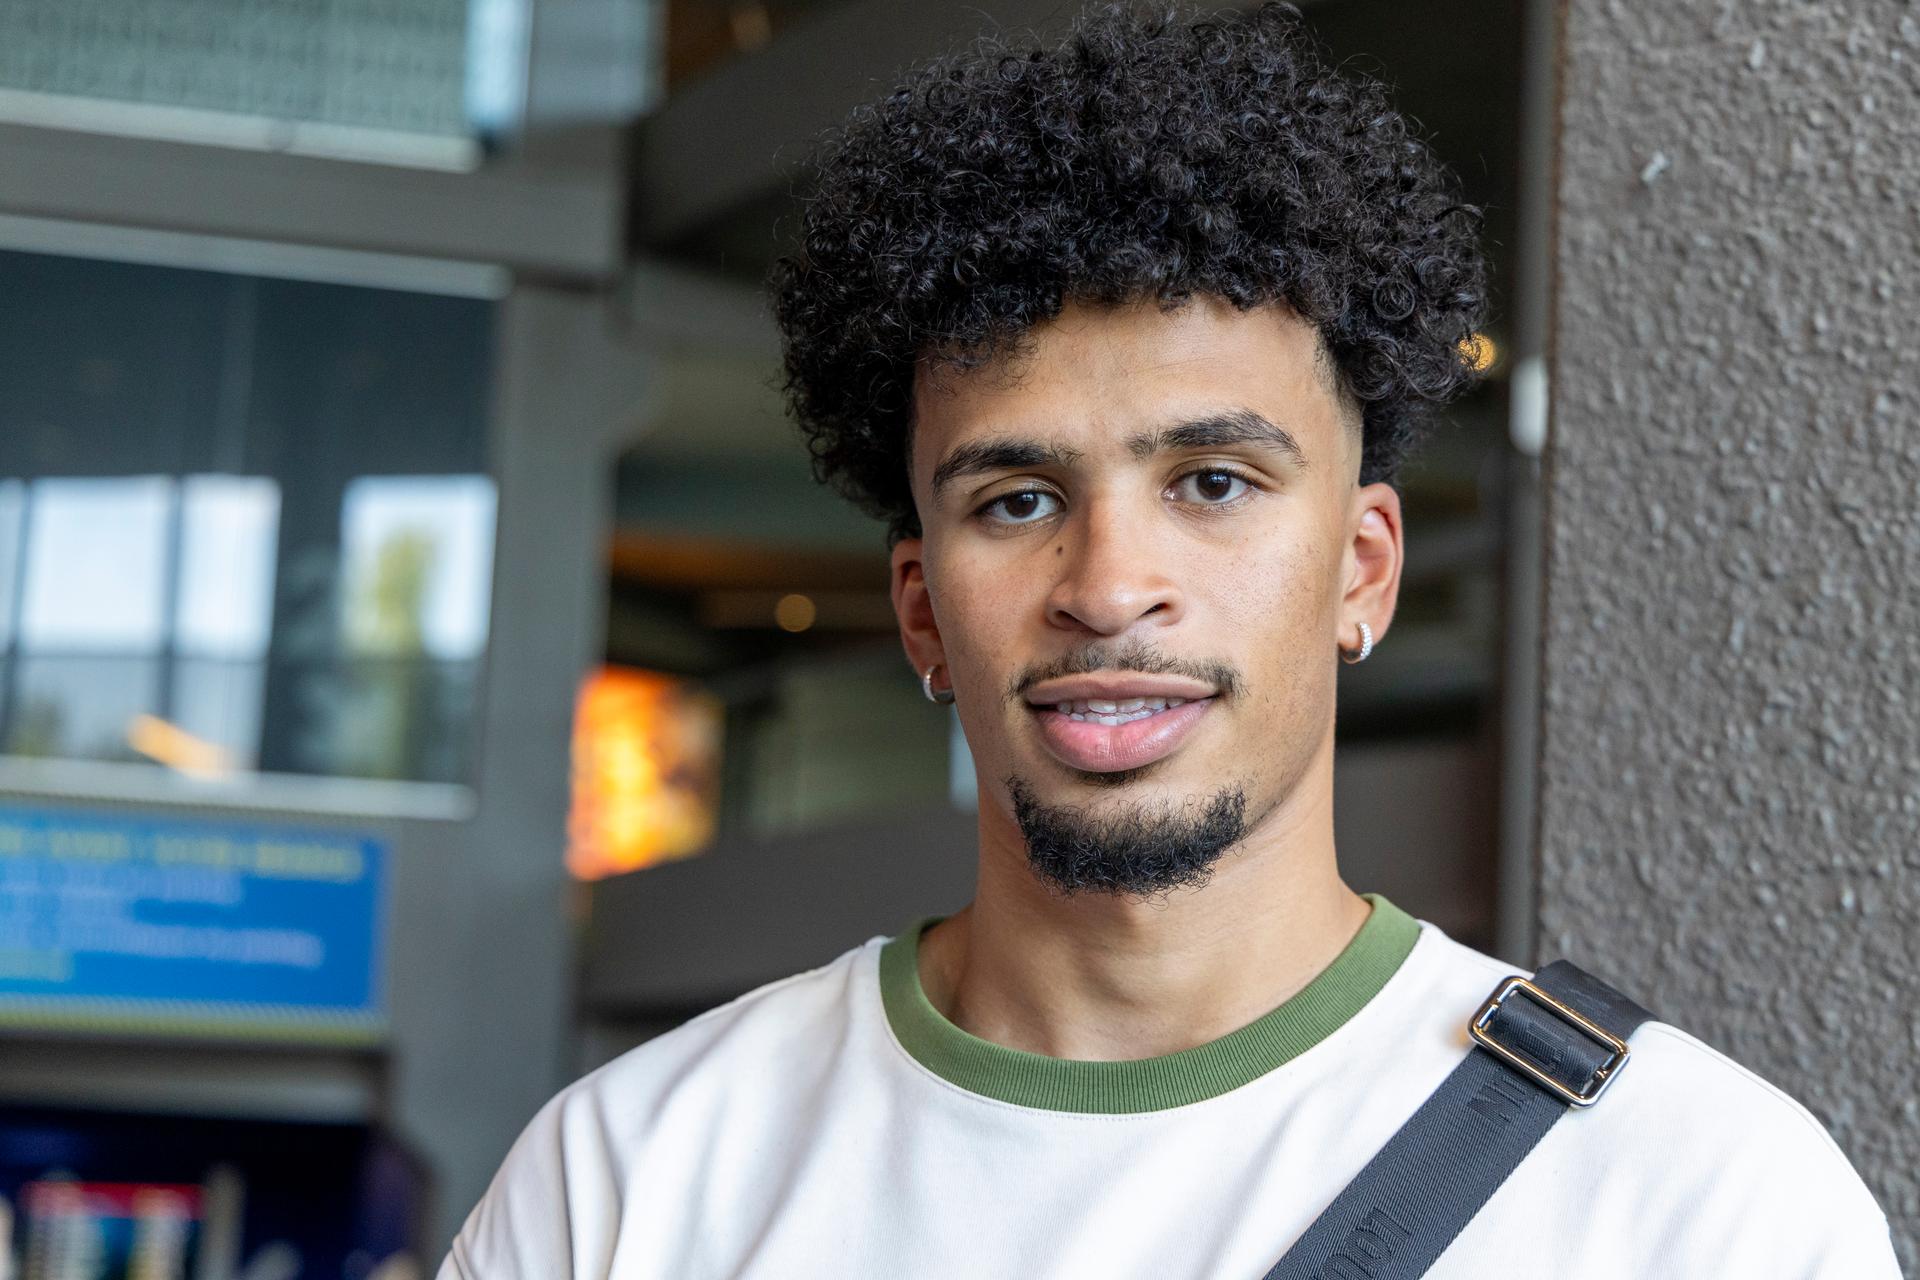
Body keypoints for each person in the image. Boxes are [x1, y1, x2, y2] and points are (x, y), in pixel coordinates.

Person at [440, 4, 1901, 1276]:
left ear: (1363, 569)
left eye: (1213, 484)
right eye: (1017, 499)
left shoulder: (1694, 1203)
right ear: (918, 610)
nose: (1108, 583)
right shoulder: (626, 1186)